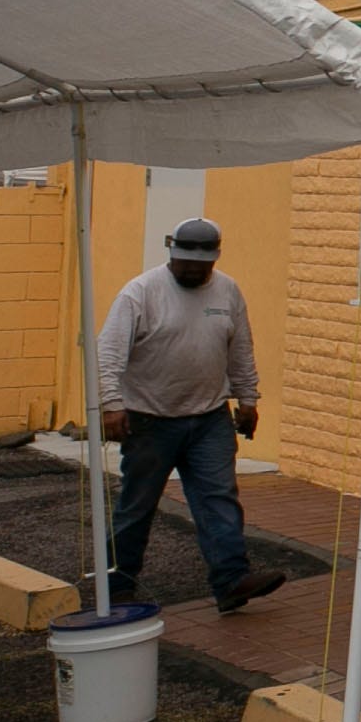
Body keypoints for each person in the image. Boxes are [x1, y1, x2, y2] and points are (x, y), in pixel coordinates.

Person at [96, 215, 283, 612]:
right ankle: (117, 586)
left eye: (201, 266)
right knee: (137, 505)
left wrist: (248, 399)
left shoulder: (228, 291)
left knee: (219, 498)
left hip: (209, 417)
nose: (192, 271)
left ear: (214, 260)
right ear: (171, 254)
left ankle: (232, 579)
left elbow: (241, 349)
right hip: (148, 418)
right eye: (185, 264)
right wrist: (111, 405)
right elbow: (108, 354)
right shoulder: (140, 293)